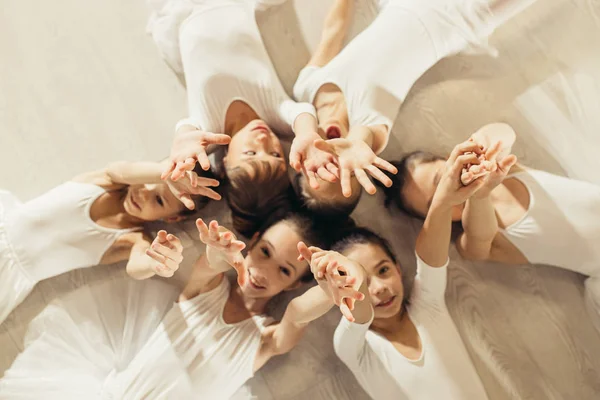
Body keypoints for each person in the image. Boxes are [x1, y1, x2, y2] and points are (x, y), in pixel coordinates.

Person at [0, 212, 359, 399]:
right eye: (263, 252)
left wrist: (331, 288)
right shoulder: (208, 290)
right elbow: (211, 265)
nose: (263, 271)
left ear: (295, 283)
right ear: (251, 242)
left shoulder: (266, 339)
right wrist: (219, 251)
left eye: (283, 269)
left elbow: (298, 314)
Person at [290, 0, 537, 217]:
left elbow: (333, 31)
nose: (339, 160)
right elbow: (361, 140)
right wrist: (357, 145)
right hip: (461, 18)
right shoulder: (370, 130)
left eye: (325, 168)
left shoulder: (306, 89)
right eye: (351, 173)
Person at [299, 140, 490, 399]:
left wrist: (444, 198)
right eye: (362, 282)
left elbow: (431, 259)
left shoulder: (428, 308)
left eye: (383, 270)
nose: (379, 288)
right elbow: (361, 316)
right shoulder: (357, 348)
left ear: (398, 269)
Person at [382, 122, 600, 330]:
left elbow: (502, 133)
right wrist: (480, 194)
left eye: (442, 180)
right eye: (437, 201)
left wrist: (479, 145)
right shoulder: (474, 240)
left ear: (450, 159)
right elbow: (480, 239)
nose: (452, 190)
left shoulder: (506, 170)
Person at [147, 0, 325, 236]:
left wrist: (182, 140)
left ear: (226, 163)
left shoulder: (210, 130)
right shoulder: (276, 117)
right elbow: (302, 112)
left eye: (250, 154)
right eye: (275, 155)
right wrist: (307, 134)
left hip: (187, 15)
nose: (263, 142)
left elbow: (188, 130)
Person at [0, 160, 219, 324]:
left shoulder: (132, 239)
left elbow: (137, 267)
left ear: (172, 218)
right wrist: (166, 174)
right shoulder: (107, 182)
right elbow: (121, 170)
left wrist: (155, 263)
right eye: (150, 182)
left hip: (9, 276)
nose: (144, 194)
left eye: (159, 200)